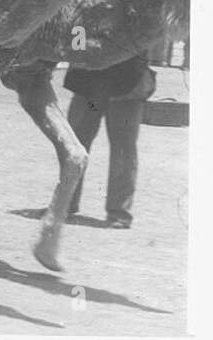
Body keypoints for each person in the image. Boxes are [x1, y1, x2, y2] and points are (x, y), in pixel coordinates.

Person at [64, 57, 155, 228]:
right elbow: (75, 39)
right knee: (74, 142)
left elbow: (149, 36)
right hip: (88, 83)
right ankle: (64, 203)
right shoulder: (83, 28)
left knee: (123, 147)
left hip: (128, 81)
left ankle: (119, 212)